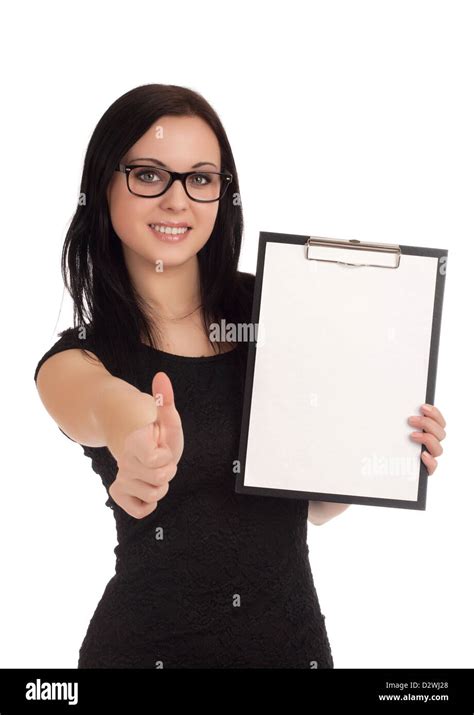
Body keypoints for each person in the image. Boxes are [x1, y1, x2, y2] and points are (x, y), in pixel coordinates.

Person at [34, 84, 447, 669]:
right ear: (103, 186)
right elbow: (108, 405)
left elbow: (312, 506)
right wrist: (139, 442)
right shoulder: (76, 362)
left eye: (200, 179)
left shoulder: (283, 310)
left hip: (292, 648)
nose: (178, 200)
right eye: (149, 175)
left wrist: (384, 448)